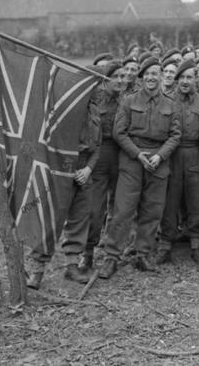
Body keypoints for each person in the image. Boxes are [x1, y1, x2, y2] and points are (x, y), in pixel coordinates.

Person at [98, 57, 181, 279]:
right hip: (132, 161)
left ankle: (143, 254)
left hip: (158, 162)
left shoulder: (171, 104)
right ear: (142, 78)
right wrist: (137, 154)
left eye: (156, 73)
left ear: (162, 76)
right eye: (148, 74)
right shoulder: (128, 100)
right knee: (122, 211)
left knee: (152, 210)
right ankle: (111, 257)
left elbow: (175, 135)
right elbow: (119, 132)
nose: (152, 77)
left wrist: (160, 156)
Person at [26, 91, 102, 289]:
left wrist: (88, 169)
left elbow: (98, 145)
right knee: (51, 220)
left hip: (84, 169)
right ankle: (37, 270)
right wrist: (63, 169)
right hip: (62, 167)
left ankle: (71, 266)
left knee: (80, 218)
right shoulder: (64, 109)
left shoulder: (95, 110)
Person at [157, 60, 199, 266]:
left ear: (196, 79)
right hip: (172, 154)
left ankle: (196, 244)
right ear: (176, 80)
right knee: (170, 201)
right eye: (182, 78)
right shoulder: (167, 100)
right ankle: (165, 245)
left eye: (190, 77)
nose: (185, 81)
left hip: (195, 154)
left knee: (196, 201)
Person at [78, 61, 126, 272]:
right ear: (105, 80)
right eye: (116, 76)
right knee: (94, 210)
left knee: (119, 209)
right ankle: (87, 253)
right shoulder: (94, 99)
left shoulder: (127, 100)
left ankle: (111, 255)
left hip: (123, 156)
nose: (121, 80)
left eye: (123, 77)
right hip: (98, 156)